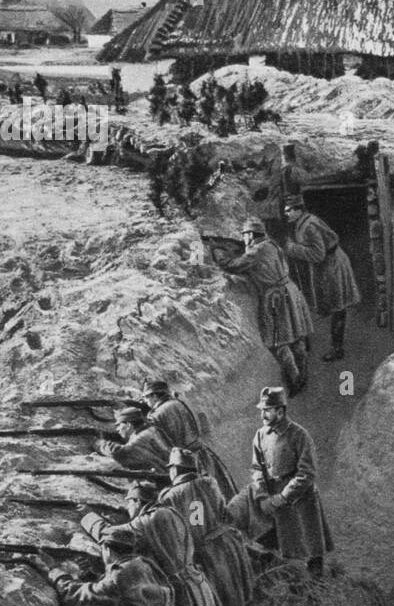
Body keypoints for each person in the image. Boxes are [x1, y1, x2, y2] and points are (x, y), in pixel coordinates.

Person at [227, 387, 334, 577]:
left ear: (280, 411)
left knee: (310, 550)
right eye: (261, 410)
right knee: (278, 545)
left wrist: (283, 497)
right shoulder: (260, 435)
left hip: (300, 499)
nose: (262, 415)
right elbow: (257, 468)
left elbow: (306, 473)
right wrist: (262, 496)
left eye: (267, 410)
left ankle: (317, 585)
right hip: (271, 496)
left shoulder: (299, 435)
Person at [82, 483, 225, 606]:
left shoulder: (147, 519)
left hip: (181, 591)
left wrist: (88, 516)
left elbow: (108, 533)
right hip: (198, 583)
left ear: (137, 501)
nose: (128, 508)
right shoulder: (171, 511)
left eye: (129, 503)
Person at [158, 448, 253, 606]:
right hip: (228, 544)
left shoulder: (169, 496)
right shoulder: (210, 482)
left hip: (207, 552)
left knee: (219, 603)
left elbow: (192, 525)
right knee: (236, 599)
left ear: (176, 469)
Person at [222, 217, 314, 395]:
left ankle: (295, 381)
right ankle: (303, 376)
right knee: (296, 337)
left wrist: (220, 255)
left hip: (275, 297)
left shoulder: (256, 251)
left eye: (245, 235)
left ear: (251, 234)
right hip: (290, 292)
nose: (243, 239)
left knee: (277, 342)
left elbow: (233, 266)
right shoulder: (271, 245)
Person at [28, 524, 177, 606]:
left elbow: (73, 595)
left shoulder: (120, 575)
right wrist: (90, 576)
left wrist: (55, 569)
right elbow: (121, 595)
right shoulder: (143, 564)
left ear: (107, 550)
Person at [284, 194, 361, 362]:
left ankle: (337, 349)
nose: (286, 213)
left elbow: (318, 254)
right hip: (326, 267)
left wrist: (293, 249)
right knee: (331, 305)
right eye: (285, 210)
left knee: (338, 308)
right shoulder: (302, 222)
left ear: (299, 210)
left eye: (289, 210)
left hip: (333, 266)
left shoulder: (310, 225)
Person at [141, 380, 237, 499]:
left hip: (184, 463)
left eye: (146, 397)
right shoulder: (178, 403)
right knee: (221, 493)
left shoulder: (156, 415)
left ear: (154, 396)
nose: (145, 401)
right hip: (202, 455)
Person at [93, 406, 174, 470]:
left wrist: (99, 444)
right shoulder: (153, 429)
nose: (117, 429)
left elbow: (119, 453)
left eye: (119, 425)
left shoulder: (140, 439)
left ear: (128, 425)